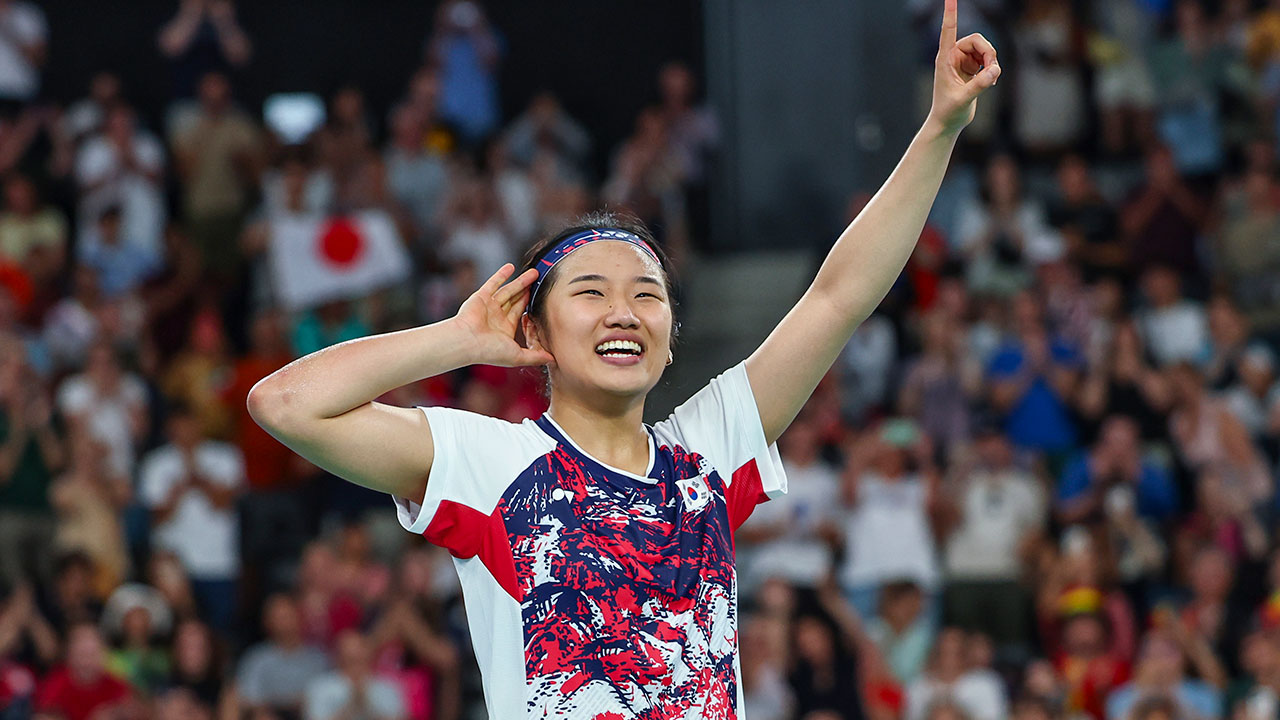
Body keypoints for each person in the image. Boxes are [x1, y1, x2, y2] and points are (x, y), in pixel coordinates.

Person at [247, 2, 1000, 716]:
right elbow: (285, 405)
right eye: (591, 292)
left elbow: (837, 298)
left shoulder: (707, 454)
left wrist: (938, 127)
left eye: (647, 294)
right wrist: (455, 337)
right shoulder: (489, 464)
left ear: (671, 337)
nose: (623, 312)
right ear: (534, 330)